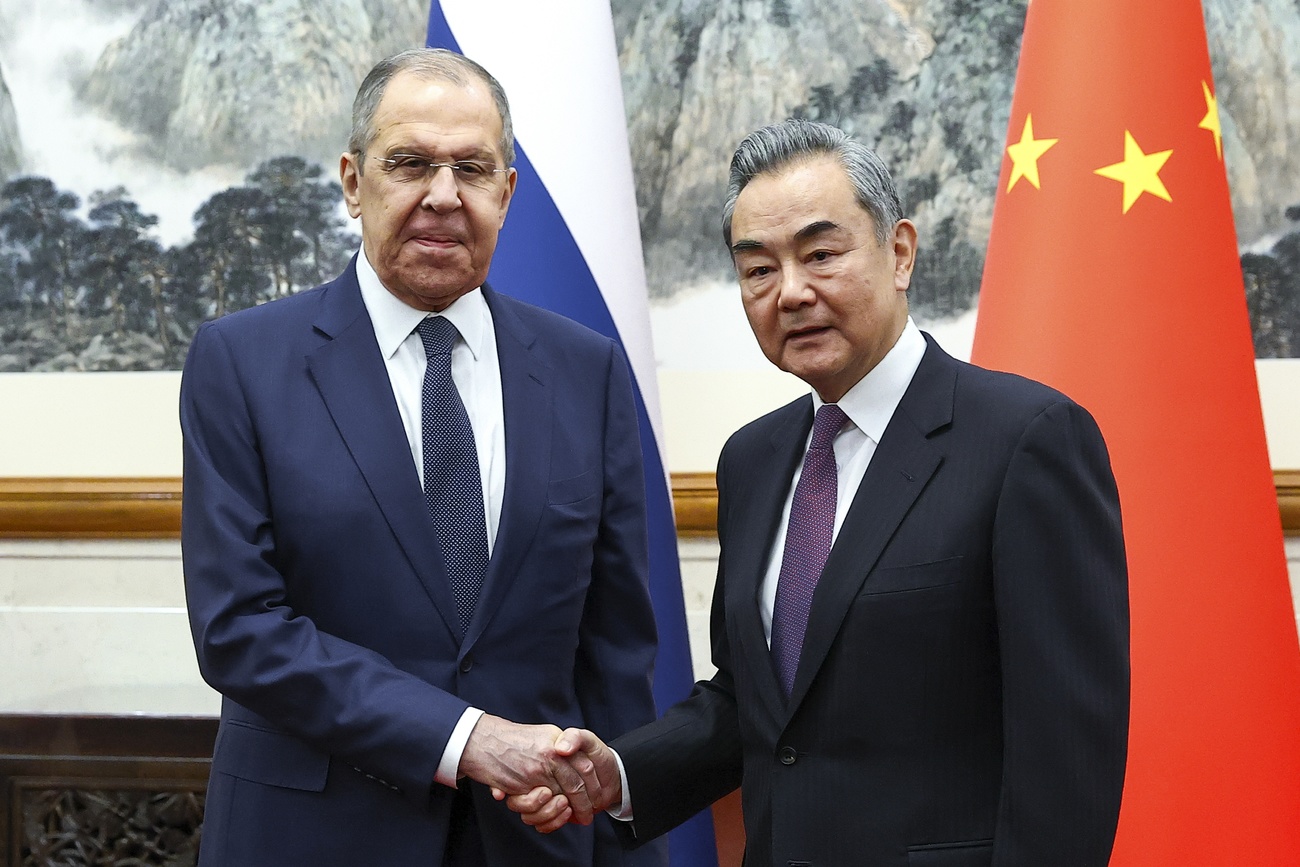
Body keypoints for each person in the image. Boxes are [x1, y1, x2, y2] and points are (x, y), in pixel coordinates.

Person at [509, 118, 1130, 865]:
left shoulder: (1026, 439)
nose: (791, 292)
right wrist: (620, 771)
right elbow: (757, 701)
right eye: (758, 269)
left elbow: (1066, 756)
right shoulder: (753, 458)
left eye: (821, 254)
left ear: (899, 253)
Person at [180, 48, 665, 867]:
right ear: (352, 181)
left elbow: (613, 648)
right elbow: (240, 629)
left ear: (506, 195)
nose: (443, 195)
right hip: (309, 840)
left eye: (472, 168)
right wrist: (467, 738)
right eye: (409, 162)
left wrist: (622, 833)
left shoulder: (587, 369)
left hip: (535, 845)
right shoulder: (242, 361)